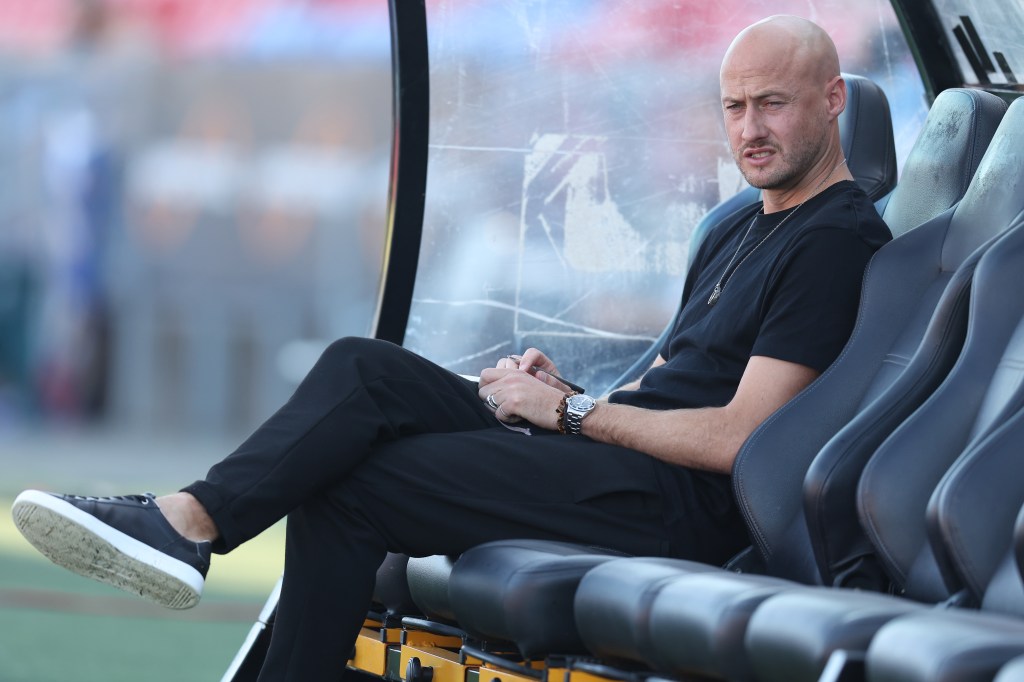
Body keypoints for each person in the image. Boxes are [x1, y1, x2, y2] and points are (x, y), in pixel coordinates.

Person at [12, 15, 891, 681]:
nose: (749, 128)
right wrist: (560, 392)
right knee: (363, 369)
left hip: (679, 504)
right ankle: (186, 520)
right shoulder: (740, 223)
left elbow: (741, 438)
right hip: (618, 461)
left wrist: (572, 413)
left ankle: (196, 534)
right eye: (734, 107)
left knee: (354, 486)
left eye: (772, 104)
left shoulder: (834, 240)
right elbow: (672, 379)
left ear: (832, 100)